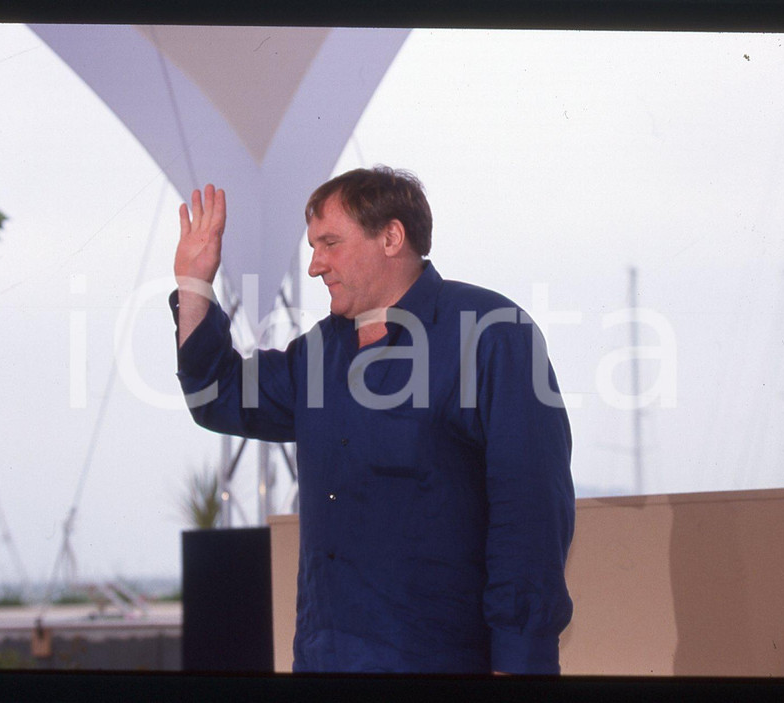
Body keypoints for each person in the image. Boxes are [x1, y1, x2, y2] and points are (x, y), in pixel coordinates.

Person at [171, 167, 575, 675]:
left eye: (330, 243)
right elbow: (216, 395)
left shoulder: (492, 334)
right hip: (323, 666)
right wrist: (193, 284)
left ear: (391, 236)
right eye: (313, 246)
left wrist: (518, 669)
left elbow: (532, 511)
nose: (315, 265)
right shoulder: (318, 352)